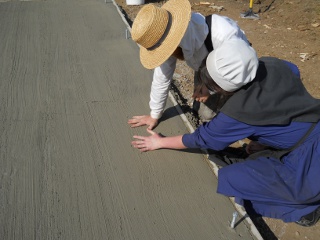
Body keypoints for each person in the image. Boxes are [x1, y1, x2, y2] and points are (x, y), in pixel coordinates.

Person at [131, 39, 320, 226]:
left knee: (232, 179)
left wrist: (159, 142)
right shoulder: (273, 64)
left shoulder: (238, 111)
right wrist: (266, 138)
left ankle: (304, 210)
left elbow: (201, 139)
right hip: (311, 125)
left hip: (311, 159)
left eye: (211, 87)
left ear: (223, 88)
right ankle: (272, 154)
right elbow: (294, 73)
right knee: (254, 156)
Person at [127, 0, 253, 130]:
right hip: (205, 66)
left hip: (234, 68)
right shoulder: (166, 39)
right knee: (202, 110)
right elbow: (161, 78)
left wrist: (210, 88)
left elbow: (239, 70)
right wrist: (154, 114)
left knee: (214, 116)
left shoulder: (222, 35)